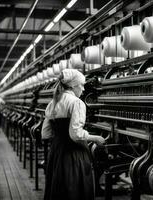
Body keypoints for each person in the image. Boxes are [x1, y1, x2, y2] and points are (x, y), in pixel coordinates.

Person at [41, 69, 105, 200]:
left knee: (59, 190)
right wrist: (96, 138)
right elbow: (75, 134)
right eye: (81, 85)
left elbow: (45, 133)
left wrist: (59, 137)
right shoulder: (76, 103)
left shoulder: (52, 103)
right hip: (73, 155)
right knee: (75, 190)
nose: (83, 89)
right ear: (73, 86)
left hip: (57, 153)